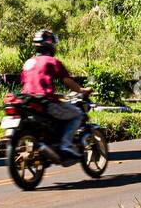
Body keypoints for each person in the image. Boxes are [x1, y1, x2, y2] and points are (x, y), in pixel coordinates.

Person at [20, 29, 90, 159]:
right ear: (51, 45)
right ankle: (65, 145)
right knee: (78, 114)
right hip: (46, 102)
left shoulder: (28, 62)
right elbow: (68, 81)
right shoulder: (52, 61)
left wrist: (56, 94)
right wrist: (81, 90)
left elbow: (30, 84)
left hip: (28, 101)